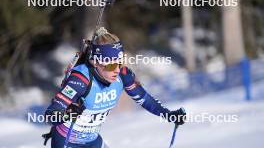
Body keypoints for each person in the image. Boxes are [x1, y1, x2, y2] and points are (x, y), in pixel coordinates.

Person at [44, 27, 186, 148]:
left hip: (92, 141)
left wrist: (168, 114)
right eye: (111, 65)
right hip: (67, 141)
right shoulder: (81, 79)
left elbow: (145, 99)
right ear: (95, 62)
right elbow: (50, 114)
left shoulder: (123, 75)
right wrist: (66, 114)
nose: (117, 69)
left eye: (119, 63)